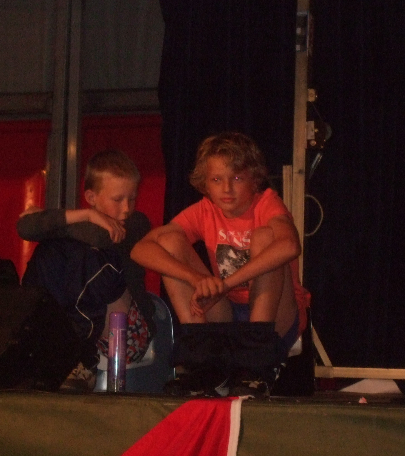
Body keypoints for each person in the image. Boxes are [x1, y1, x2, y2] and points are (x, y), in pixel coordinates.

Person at [130, 131, 310, 396]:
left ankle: (257, 364)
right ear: (205, 183)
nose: (226, 189)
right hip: (227, 312)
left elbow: (290, 246)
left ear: (254, 179)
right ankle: (202, 360)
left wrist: (225, 285)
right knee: (169, 241)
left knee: (265, 236)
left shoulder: (266, 203)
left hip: (275, 315)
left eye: (236, 178)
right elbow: (140, 250)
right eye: (216, 179)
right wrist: (197, 280)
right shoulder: (205, 210)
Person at [17, 149, 154, 392]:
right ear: (91, 197)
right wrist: (87, 215)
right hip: (78, 324)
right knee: (50, 251)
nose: (126, 208)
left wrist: (50, 221)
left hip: (128, 333)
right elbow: (24, 228)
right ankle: (36, 342)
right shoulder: (88, 219)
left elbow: (100, 236)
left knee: (88, 256)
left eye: (132, 199)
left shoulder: (136, 223)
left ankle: (81, 359)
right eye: (118, 199)